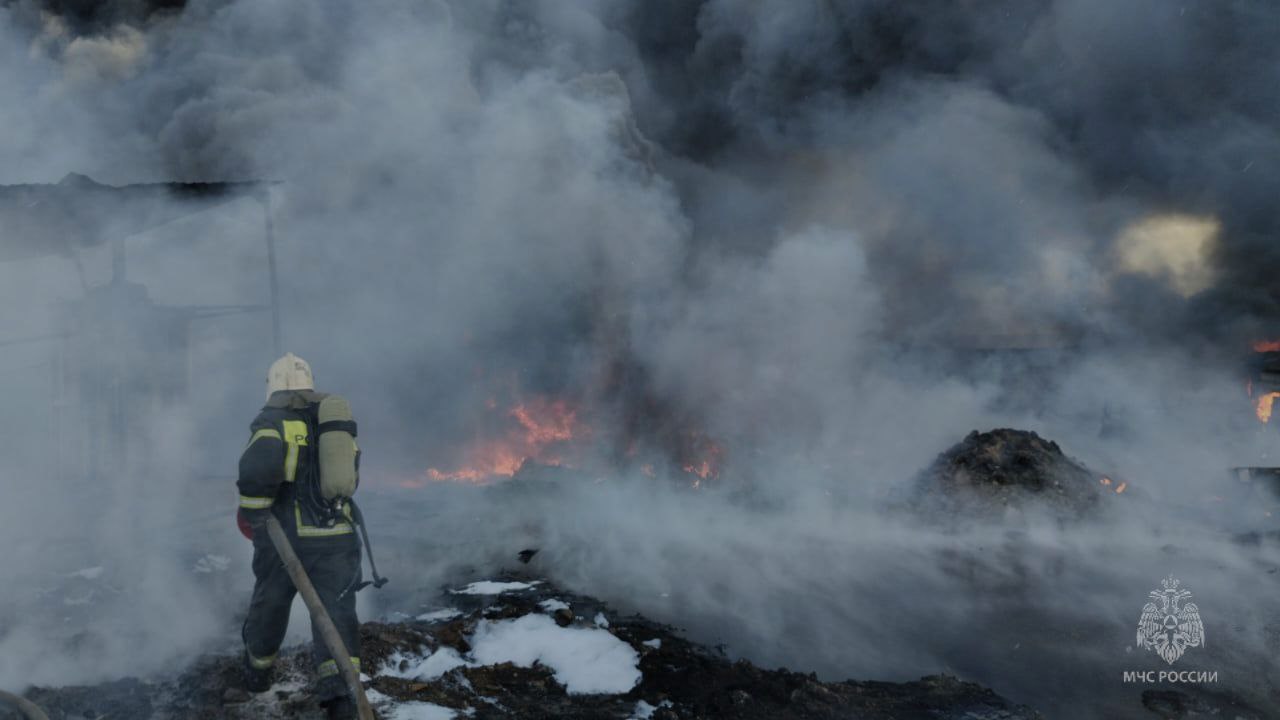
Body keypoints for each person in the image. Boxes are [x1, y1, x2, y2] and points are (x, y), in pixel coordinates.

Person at [236, 352, 363, 719]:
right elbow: (349, 476)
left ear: (272, 386)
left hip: (286, 541)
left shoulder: (271, 423)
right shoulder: (333, 423)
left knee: (270, 605)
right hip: (338, 537)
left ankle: (257, 677)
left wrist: (256, 516)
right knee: (337, 615)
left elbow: (255, 477)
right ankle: (341, 700)